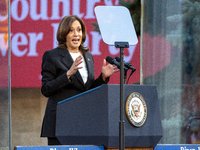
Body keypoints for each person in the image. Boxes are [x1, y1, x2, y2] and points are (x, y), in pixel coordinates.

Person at [40, 15, 119, 145]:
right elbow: (46, 89)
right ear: (63, 34)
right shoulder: (52, 56)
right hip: (60, 121)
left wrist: (103, 78)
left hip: (82, 121)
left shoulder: (88, 56)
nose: (76, 34)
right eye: (71, 30)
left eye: (79, 30)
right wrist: (68, 75)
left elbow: (88, 90)